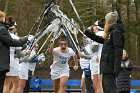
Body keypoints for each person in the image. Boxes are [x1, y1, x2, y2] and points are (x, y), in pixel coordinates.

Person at [84, 11, 125, 93]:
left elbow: (118, 51)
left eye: (106, 21)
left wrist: (116, 68)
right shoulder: (111, 33)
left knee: (110, 89)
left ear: (110, 22)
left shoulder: (116, 32)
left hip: (110, 67)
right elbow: (101, 40)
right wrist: (88, 33)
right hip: (106, 66)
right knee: (106, 89)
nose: (105, 23)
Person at [0, 11, 28, 92]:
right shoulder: (7, 33)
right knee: (14, 84)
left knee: (6, 84)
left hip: (7, 61)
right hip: (7, 62)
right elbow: (14, 44)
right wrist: (26, 40)